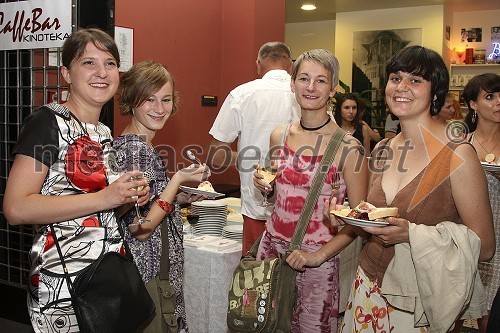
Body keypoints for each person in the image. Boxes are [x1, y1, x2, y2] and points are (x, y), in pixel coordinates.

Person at [337, 46, 495, 332]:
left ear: (436, 93)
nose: (402, 87)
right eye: (396, 78)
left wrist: (411, 234)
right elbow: (372, 225)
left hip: (420, 301)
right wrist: (349, 216)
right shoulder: (384, 149)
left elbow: (484, 247)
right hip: (367, 289)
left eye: (416, 80)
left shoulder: (458, 154)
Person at [2, 28, 150, 332]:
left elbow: (96, 212)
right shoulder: (47, 122)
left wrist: (125, 198)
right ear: (66, 73)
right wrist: (106, 197)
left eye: (110, 63)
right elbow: (15, 208)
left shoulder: (104, 132)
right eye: (88, 63)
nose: (101, 72)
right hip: (64, 288)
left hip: (104, 278)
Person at [253, 49, 368, 332]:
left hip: (317, 263)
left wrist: (317, 257)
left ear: (332, 89)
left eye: (320, 80)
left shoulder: (347, 147)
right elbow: (277, 194)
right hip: (270, 252)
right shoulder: (279, 135)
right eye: (304, 78)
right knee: (263, 325)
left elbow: (362, 220)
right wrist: (266, 188)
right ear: (292, 84)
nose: (311, 87)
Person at [114, 60, 210, 332]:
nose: (159, 108)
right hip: (150, 272)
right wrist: (178, 179)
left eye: (166, 99)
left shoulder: (138, 145)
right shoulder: (136, 151)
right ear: (132, 101)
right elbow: (141, 228)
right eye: (149, 99)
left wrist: (179, 198)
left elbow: (143, 209)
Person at [208, 41, 300, 254]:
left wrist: (248, 158)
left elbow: (216, 156)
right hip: (300, 209)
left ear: (258, 64)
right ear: (291, 66)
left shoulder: (242, 94)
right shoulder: (308, 95)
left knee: (256, 279)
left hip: (256, 208)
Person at [461, 73, 500, 333]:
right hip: (472, 233)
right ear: (473, 105)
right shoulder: (463, 145)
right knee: (462, 306)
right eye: (490, 96)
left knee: (493, 316)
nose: (499, 101)